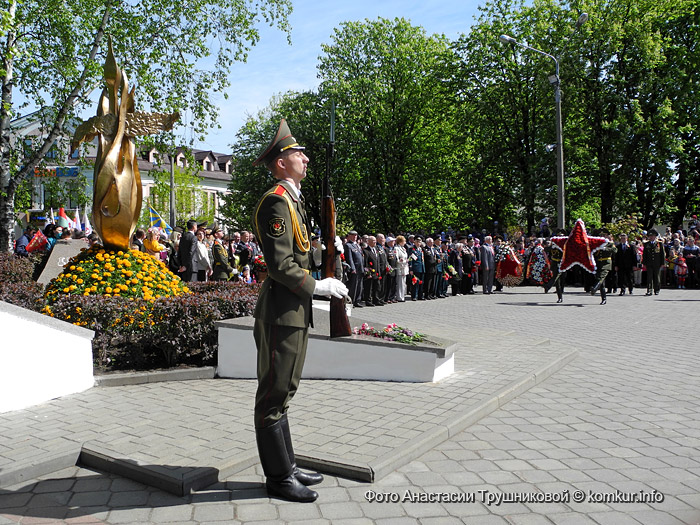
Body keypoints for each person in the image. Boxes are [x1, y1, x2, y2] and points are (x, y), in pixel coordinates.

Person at [250, 119, 348, 503]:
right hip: (281, 313)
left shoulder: (293, 200)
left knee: (285, 391)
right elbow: (280, 265)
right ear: (280, 163)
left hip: (294, 312)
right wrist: (317, 285)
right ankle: (277, 478)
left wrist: (326, 252)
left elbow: (300, 252)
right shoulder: (276, 200)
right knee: (273, 396)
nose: (305, 159)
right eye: (297, 154)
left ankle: (287, 466)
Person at [344, 230, 364, 307]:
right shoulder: (348, 245)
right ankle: (352, 300)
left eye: (355, 235)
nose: (354, 237)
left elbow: (361, 257)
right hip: (354, 268)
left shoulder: (358, 245)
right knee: (353, 286)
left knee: (359, 285)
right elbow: (349, 258)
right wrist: (352, 268)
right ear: (349, 236)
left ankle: (357, 300)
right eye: (352, 235)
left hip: (360, 268)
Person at [642, 229, 666, 295]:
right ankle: (649, 290)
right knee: (649, 277)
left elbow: (662, 254)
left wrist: (663, 263)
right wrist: (644, 263)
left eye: (652, 236)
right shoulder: (646, 244)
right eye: (650, 236)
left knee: (657, 277)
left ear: (655, 236)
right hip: (649, 263)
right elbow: (644, 254)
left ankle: (657, 289)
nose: (651, 237)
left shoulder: (659, 244)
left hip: (657, 263)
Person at [394, 235, 409, 302]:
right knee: (400, 283)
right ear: (400, 241)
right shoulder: (396, 248)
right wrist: (403, 261)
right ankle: (399, 297)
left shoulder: (403, 248)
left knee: (403, 283)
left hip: (405, 267)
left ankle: (403, 295)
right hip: (400, 267)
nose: (405, 242)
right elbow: (397, 259)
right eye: (404, 241)